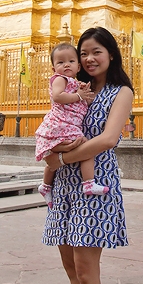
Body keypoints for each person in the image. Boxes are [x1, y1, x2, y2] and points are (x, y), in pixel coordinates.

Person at [41, 27, 134, 284]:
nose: (89, 59)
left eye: (96, 51)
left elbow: (108, 139)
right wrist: (53, 156)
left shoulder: (120, 92)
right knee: (70, 270)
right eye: (84, 53)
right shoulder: (75, 88)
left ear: (111, 54)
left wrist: (61, 159)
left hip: (94, 186)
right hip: (65, 187)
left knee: (85, 270)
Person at [35, 43, 109, 205]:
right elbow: (57, 96)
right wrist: (78, 95)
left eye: (71, 61)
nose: (66, 65)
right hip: (61, 125)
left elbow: (80, 102)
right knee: (87, 148)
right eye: (61, 62)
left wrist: (84, 95)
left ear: (78, 66)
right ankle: (88, 183)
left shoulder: (74, 83)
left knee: (53, 155)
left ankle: (45, 186)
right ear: (54, 68)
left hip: (67, 126)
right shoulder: (60, 79)